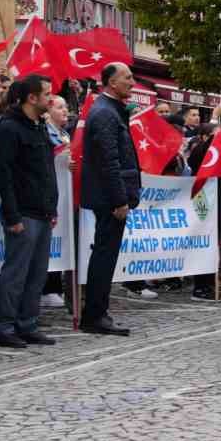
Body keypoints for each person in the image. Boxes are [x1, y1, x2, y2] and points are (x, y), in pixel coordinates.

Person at [0, 74, 60, 349]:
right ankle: (5, 327)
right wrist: (12, 215)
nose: (51, 98)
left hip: (42, 211)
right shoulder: (10, 128)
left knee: (37, 273)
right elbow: (3, 174)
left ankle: (28, 323)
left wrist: (52, 207)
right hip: (23, 212)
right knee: (16, 273)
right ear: (31, 98)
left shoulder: (39, 126)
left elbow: (46, 170)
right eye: (47, 93)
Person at [79, 62, 142, 335]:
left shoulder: (112, 110)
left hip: (110, 196)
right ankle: (95, 315)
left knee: (106, 253)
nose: (132, 82)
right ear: (111, 83)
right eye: (127, 78)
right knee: (104, 255)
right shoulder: (105, 113)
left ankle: (97, 312)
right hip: (108, 199)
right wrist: (119, 200)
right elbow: (108, 161)